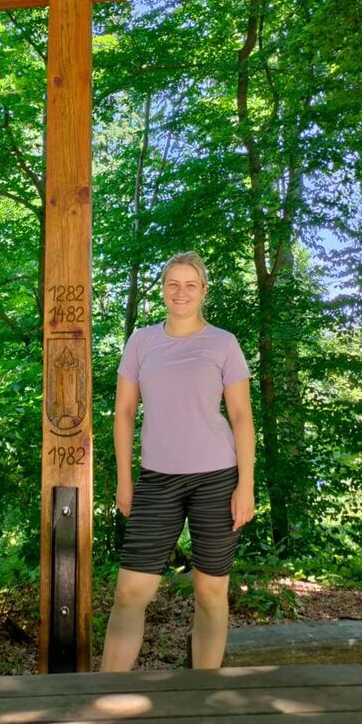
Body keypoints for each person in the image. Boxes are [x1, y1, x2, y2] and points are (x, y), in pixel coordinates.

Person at [100, 251, 256, 671]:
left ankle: (205, 694)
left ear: (203, 290)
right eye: (173, 284)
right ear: (163, 291)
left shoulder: (223, 343)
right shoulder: (141, 342)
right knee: (129, 593)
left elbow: (241, 417)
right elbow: (124, 414)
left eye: (190, 285)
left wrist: (246, 486)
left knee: (210, 593)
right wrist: (125, 480)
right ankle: (106, 694)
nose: (181, 292)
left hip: (217, 479)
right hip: (157, 481)